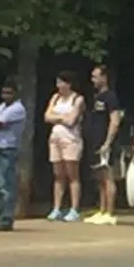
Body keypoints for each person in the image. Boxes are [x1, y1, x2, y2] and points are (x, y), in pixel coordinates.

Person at [44, 71, 85, 221]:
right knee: (58, 175)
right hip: (55, 138)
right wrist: (61, 118)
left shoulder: (77, 99)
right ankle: (56, 208)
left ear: (69, 84)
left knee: (72, 175)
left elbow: (72, 120)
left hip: (71, 139)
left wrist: (57, 118)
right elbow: (47, 116)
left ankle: (74, 209)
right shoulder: (55, 98)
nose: (58, 86)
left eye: (61, 82)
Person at [87, 63, 125, 225]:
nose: (93, 80)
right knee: (100, 178)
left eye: (95, 76)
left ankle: (110, 212)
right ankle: (101, 210)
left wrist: (108, 142)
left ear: (104, 77)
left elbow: (114, 120)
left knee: (108, 177)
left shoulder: (111, 96)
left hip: (106, 142)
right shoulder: (97, 97)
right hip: (96, 141)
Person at [0, 77, 26, 232]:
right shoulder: (2, 107)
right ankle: (0, 217)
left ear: (16, 94)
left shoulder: (17, 108)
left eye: (9, 93)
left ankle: (6, 219)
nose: (6, 96)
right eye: (4, 93)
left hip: (7, 149)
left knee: (6, 185)